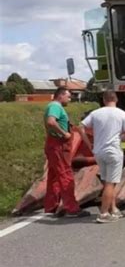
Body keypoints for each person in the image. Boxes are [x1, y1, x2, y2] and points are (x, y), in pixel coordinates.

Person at [79, 90, 125, 223]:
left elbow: (80, 127)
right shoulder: (122, 114)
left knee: (107, 181)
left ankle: (113, 208)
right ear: (116, 100)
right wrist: (119, 137)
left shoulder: (96, 113)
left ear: (104, 100)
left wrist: (89, 144)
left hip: (98, 152)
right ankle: (103, 213)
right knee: (111, 182)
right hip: (113, 151)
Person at [43, 87, 90, 217]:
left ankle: (51, 206)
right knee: (65, 175)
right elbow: (51, 121)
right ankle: (72, 208)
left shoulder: (51, 106)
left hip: (52, 145)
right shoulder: (55, 107)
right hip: (59, 146)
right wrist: (65, 134)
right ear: (60, 96)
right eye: (68, 97)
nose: (69, 99)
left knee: (54, 176)